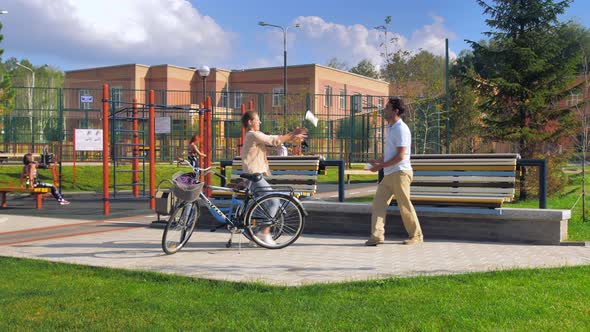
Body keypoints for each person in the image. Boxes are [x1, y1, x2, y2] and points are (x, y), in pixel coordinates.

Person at [241, 111, 307, 245]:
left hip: (254, 175)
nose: (259, 122)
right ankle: (264, 233)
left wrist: (292, 136)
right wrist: (292, 133)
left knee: (262, 205)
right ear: (250, 122)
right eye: (257, 120)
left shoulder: (254, 136)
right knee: (274, 201)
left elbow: (271, 139)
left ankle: (256, 237)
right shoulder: (252, 134)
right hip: (254, 176)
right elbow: (273, 140)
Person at [365, 97, 422, 246]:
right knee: (378, 203)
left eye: (387, 108)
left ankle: (416, 236)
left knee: (404, 205)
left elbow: (400, 156)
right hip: (390, 173)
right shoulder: (390, 127)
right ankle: (377, 236)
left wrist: (380, 166)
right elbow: (391, 153)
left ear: (395, 111)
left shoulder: (401, 128)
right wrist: (378, 161)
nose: (384, 110)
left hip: (401, 172)